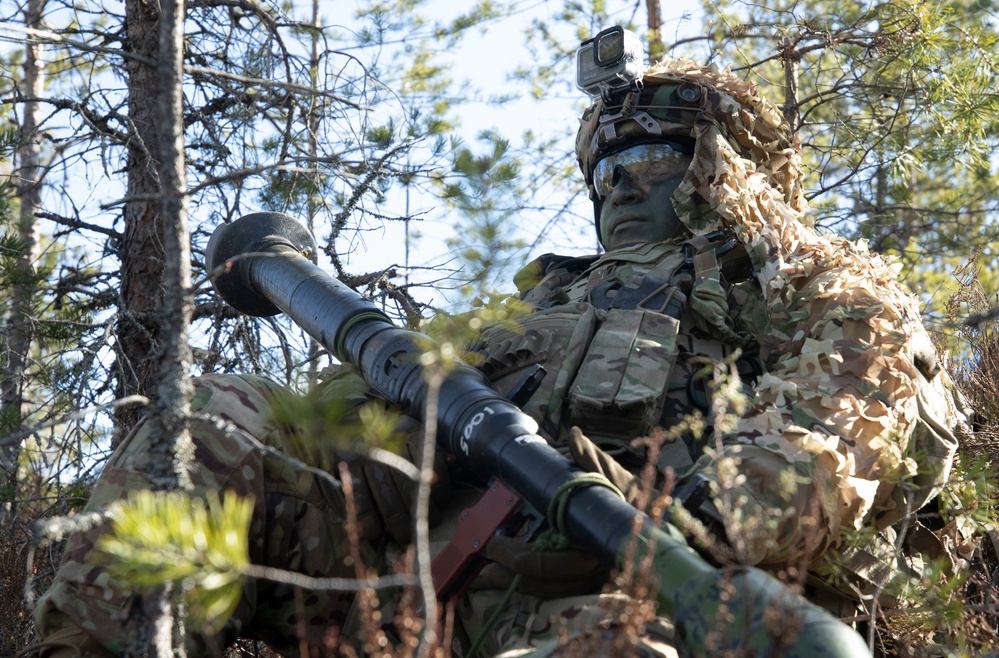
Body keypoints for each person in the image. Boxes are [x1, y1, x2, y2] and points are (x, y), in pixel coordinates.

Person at [25, 56, 971, 658]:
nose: (622, 190)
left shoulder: (807, 286)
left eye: (656, 162)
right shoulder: (540, 305)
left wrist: (703, 514)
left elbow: (853, 408)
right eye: (607, 171)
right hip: (405, 570)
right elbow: (355, 417)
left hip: (620, 593)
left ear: (728, 173)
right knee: (215, 423)